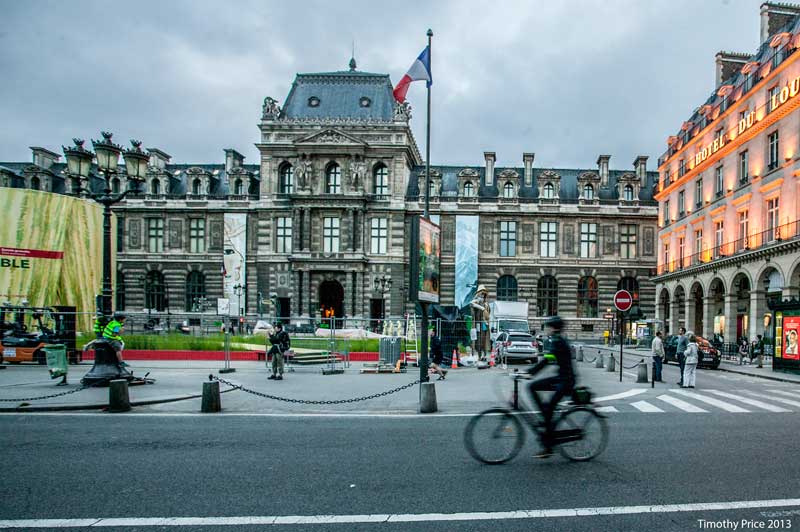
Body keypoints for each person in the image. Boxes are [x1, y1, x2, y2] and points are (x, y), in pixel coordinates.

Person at [527, 316, 576, 459]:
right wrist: (531, 372)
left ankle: (548, 447)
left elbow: (547, 360)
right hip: (561, 377)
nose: (546, 329)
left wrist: (531, 372)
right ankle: (545, 415)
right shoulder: (556, 340)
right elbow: (549, 359)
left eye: (548, 327)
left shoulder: (559, 342)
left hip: (566, 381)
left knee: (549, 408)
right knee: (533, 386)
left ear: (554, 328)